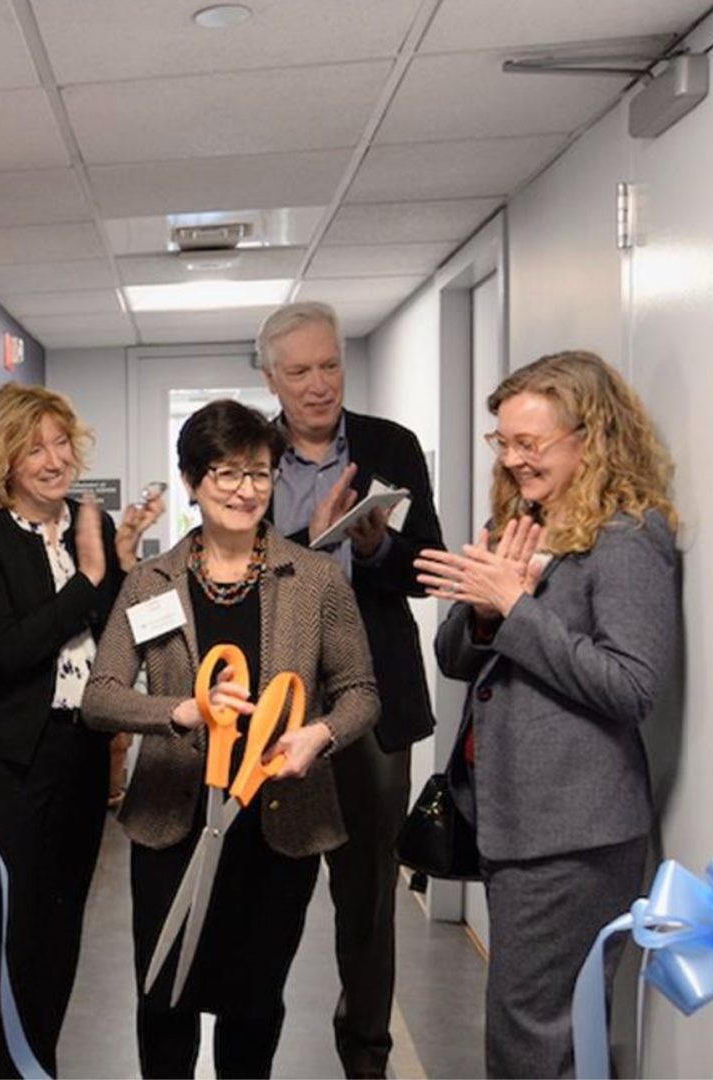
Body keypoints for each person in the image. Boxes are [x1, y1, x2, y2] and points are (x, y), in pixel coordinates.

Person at [85, 399, 380, 1079]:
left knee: (254, 1008)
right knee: (164, 1001)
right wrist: (182, 711)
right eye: (226, 473)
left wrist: (319, 736)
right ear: (192, 481)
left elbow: (361, 692)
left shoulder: (316, 579)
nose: (246, 490)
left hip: (278, 825)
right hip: (172, 821)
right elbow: (100, 696)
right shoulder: (150, 582)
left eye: (259, 473)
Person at [416, 350, 679, 1079]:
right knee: (537, 1028)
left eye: (529, 443)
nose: (512, 459)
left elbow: (631, 685)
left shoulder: (627, 537)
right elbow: (455, 657)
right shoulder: (521, 521)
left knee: (534, 1037)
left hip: (575, 831)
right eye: (503, 442)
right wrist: (485, 609)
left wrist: (515, 607)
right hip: (515, 819)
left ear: (591, 438)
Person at [0, 383, 163, 1077]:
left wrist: (121, 563)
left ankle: (41, 1066)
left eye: (61, 442)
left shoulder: (90, 522)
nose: (54, 459)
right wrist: (89, 579)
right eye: (33, 448)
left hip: (80, 751)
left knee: (62, 928)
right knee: (8, 934)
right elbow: (6, 652)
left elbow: (115, 634)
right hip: (2, 761)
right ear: (2, 459)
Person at [253, 300, 444, 1078]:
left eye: (330, 365)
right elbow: (237, 576)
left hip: (373, 704)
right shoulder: (250, 455)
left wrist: (377, 546)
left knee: (368, 902)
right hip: (277, 704)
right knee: (270, 893)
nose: (319, 384)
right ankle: (247, 1054)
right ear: (272, 379)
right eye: (299, 371)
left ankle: (366, 1058)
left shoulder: (390, 445)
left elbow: (425, 566)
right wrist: (312, 543)